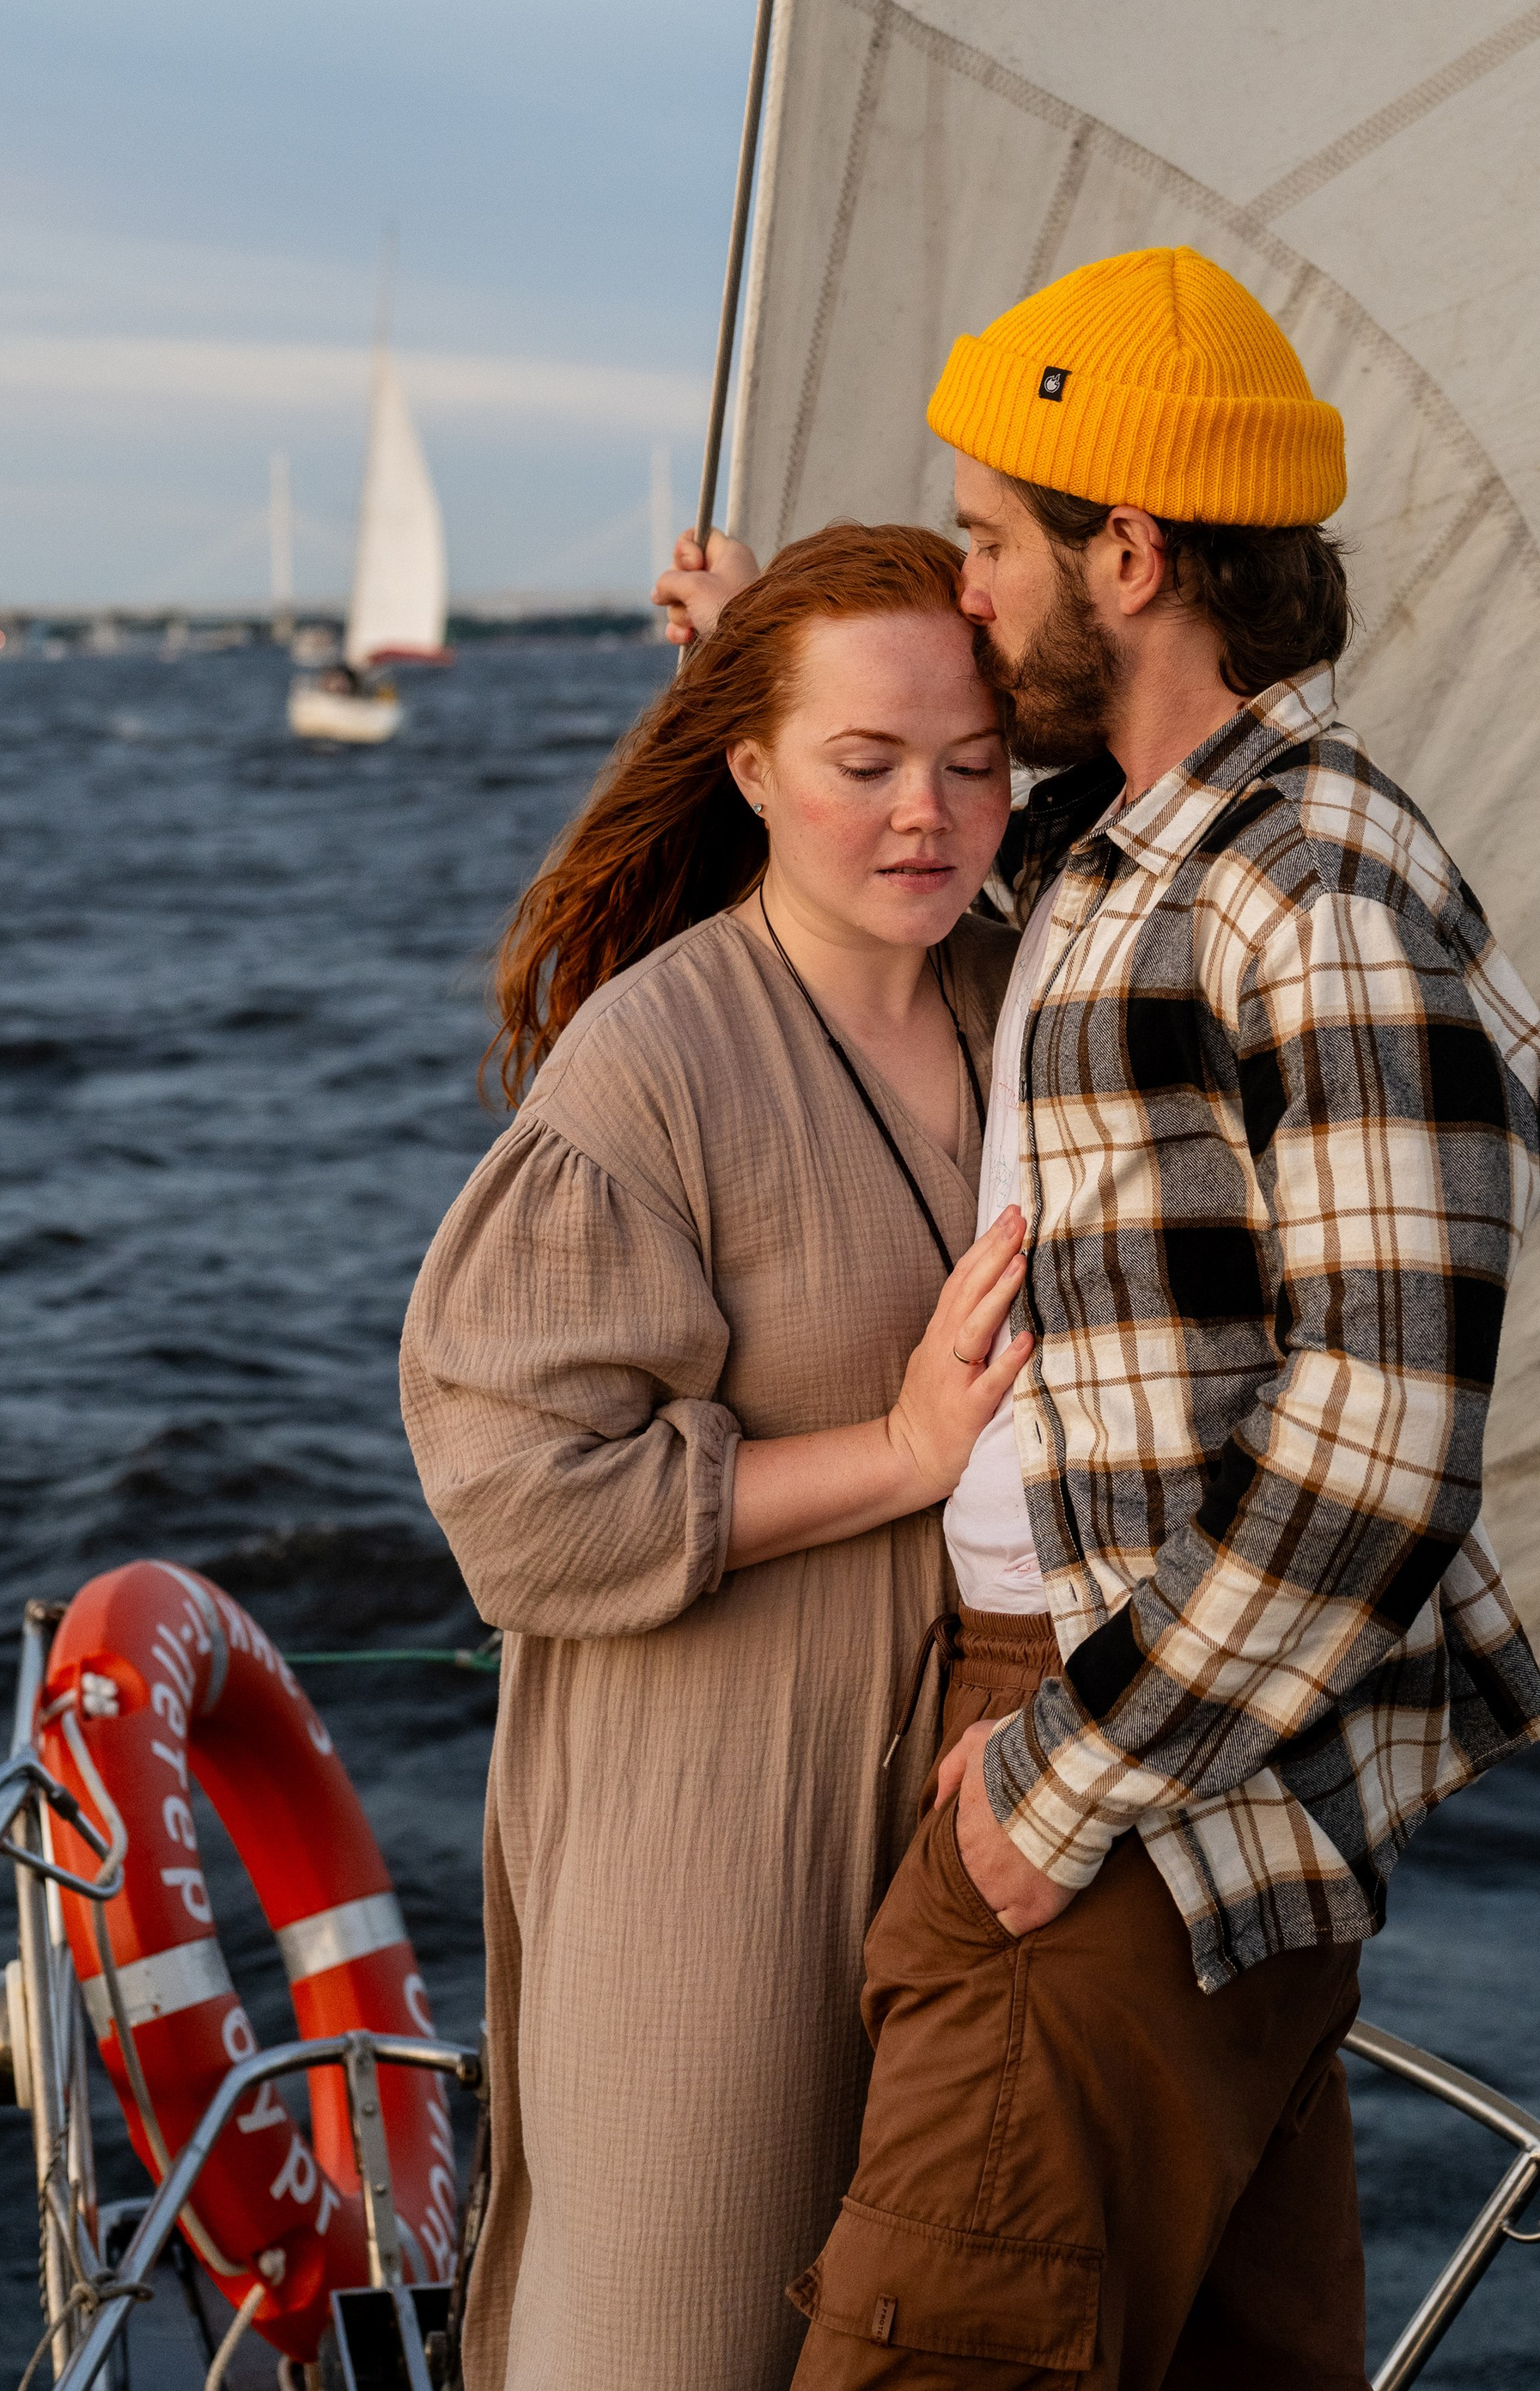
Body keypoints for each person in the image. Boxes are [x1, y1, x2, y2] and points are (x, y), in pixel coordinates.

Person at [660, 247, 1540, 2391]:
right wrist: (761, 662)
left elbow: (1379, 1452)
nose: (966, 590)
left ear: (1129, 556)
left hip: (1129, 1766)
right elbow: (931, 840)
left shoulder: (1317, 900)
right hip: (1161, 1755)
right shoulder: (1134, 852)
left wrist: (1060, 1781)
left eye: (988, 543)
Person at [400, 524, 1036, 2391]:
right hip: (710, 1838)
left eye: (973, 762)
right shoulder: (652, 1060)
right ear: (749, 766)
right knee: (676, 2336)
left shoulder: (1022, 992)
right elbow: (521, 1504)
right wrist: (902, 1447)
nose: (925, 812)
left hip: (972, 1817)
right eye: (863, 761)